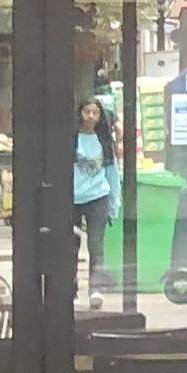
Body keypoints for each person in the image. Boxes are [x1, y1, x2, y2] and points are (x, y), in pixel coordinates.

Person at [72, 95, 120, 303]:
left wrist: (114, 203)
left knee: (96, 245)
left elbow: (112, 173)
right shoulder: (71, 138)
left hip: (98, 196)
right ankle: (71, 289)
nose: (90, 116)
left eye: (95, 112)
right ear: (80, 114)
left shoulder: (104, 141)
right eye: (87, 112)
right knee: (70, 247)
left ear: (100, 116)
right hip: (72, 198)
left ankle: (96, 289)